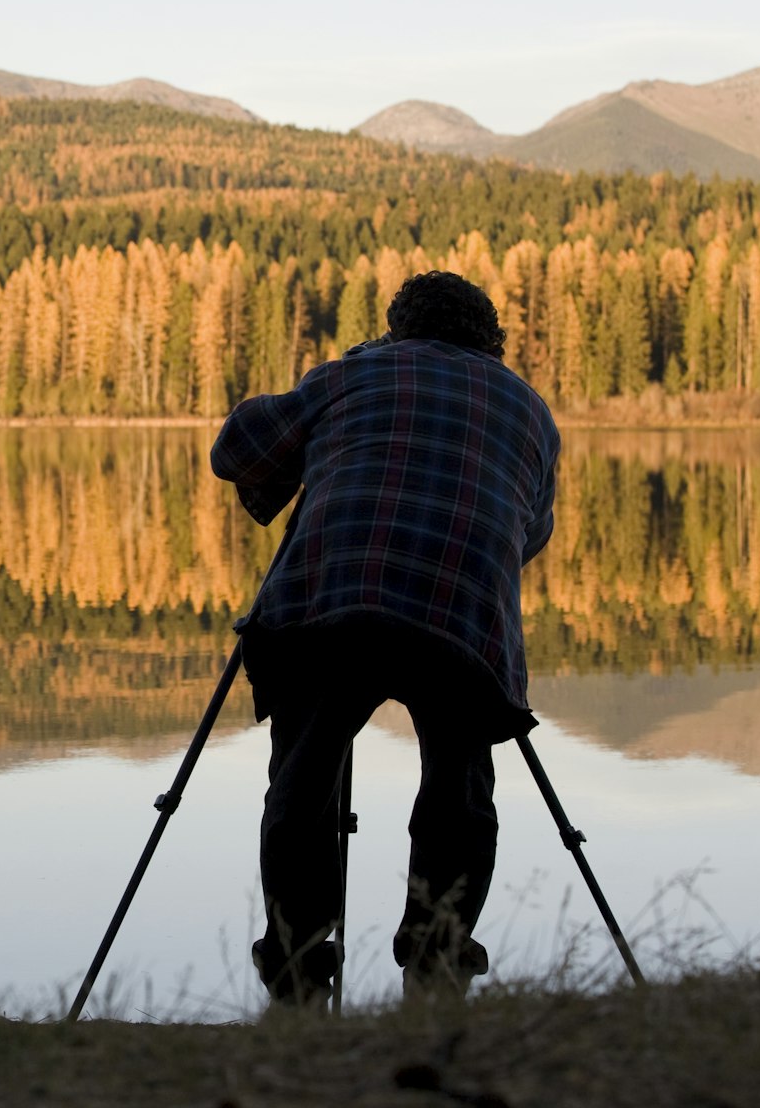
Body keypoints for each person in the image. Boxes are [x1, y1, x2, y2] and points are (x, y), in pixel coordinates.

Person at [209, 270, 559, 1007]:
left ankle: (300, 966)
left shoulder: (359, 371)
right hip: (464, 616)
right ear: (491, 340)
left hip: (333, 600)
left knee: (302, 783)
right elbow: (532, 531)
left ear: (400, 327)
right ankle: (436, 958)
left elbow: (236, 447)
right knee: (460, 792)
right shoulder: (531, 409)